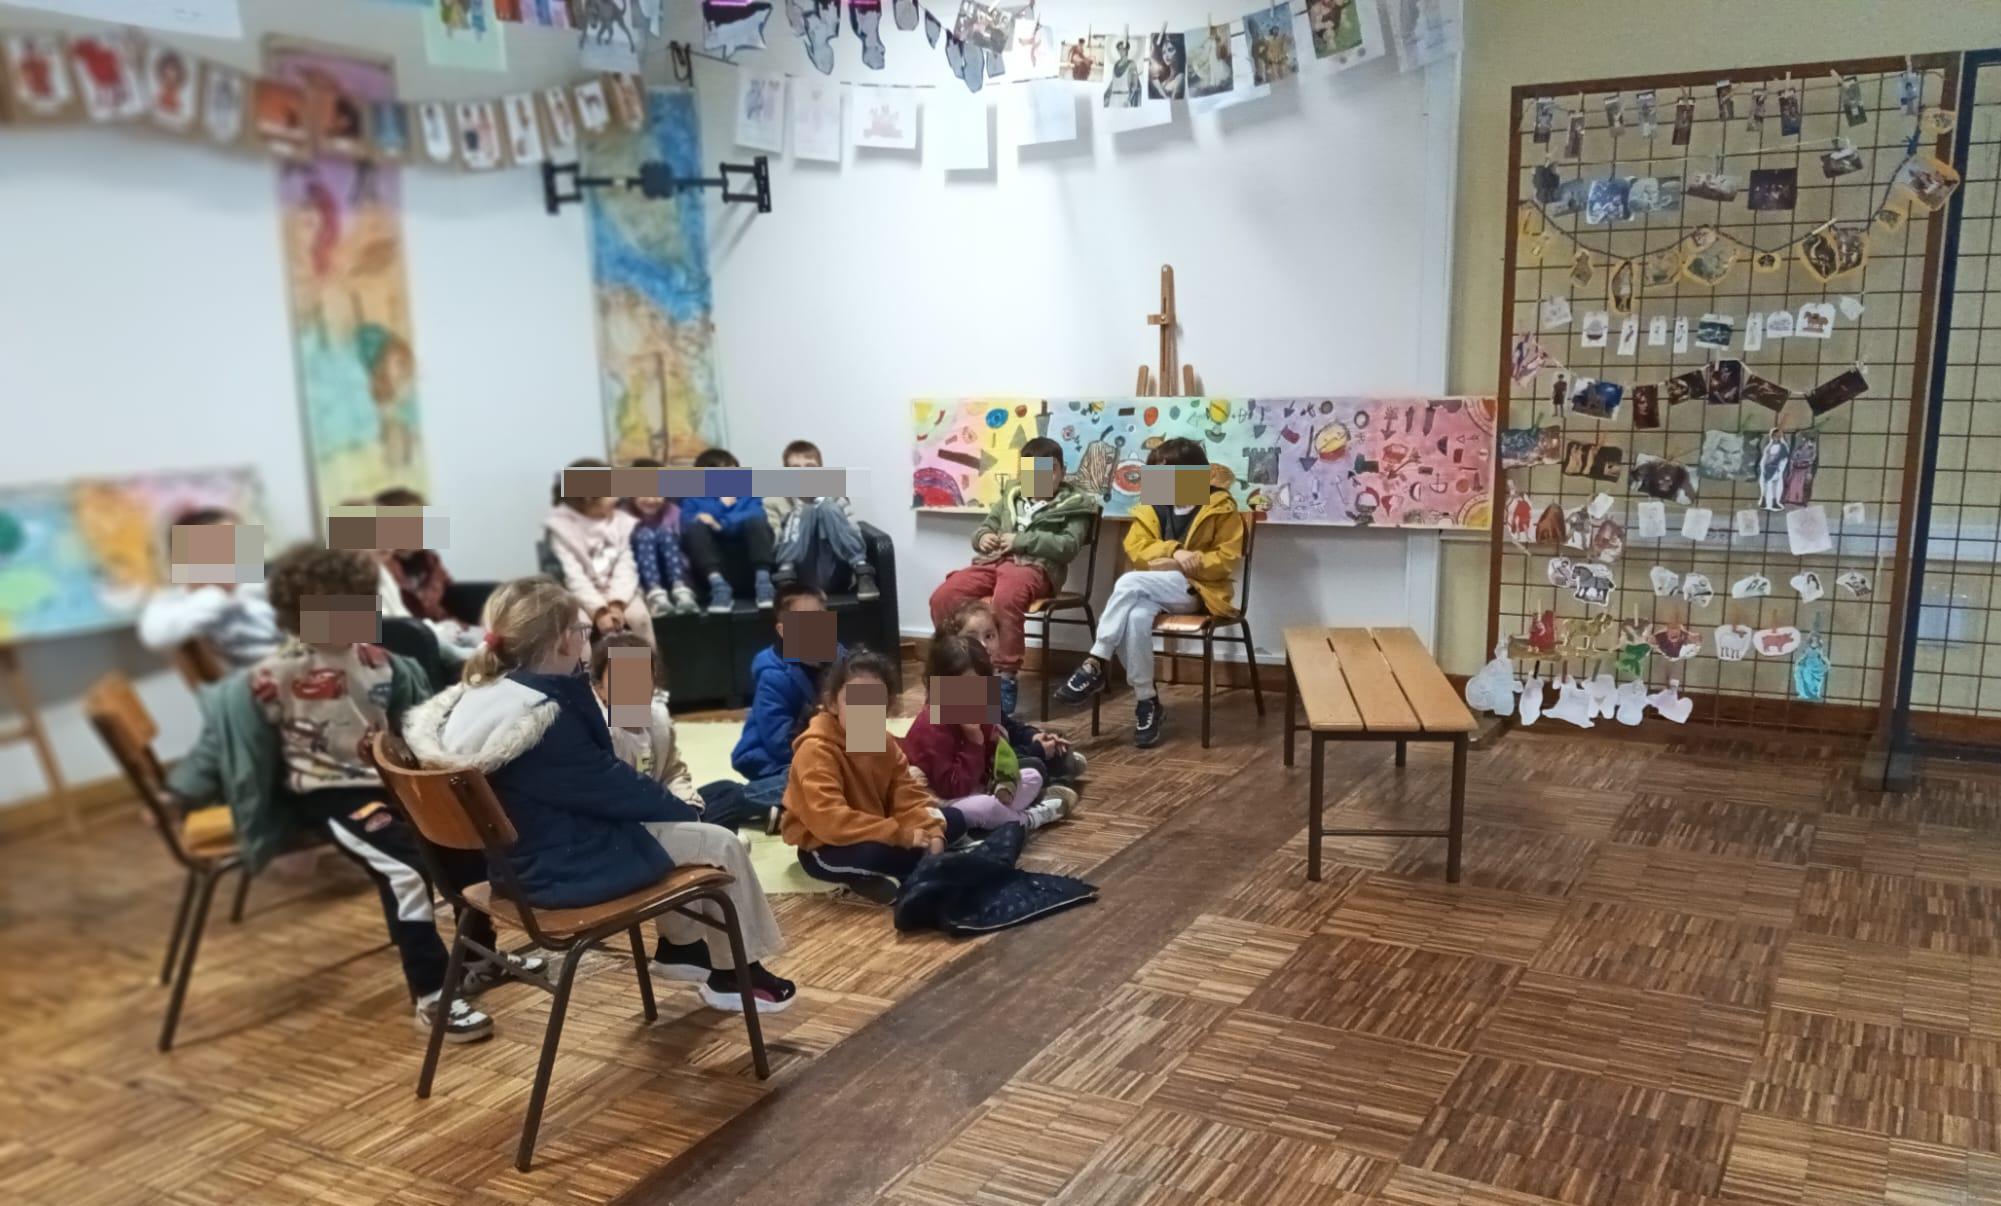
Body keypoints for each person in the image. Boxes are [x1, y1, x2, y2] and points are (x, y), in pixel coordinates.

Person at [403, 578, 796, 1012]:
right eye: (581, 631)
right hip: (561, 871)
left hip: (517, 864)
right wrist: (685, 812)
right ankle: (735, 975)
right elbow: (613, 786)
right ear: (561, 641)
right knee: (719, 844)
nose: (584, 641)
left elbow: (611, 784)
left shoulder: (483, 697)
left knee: (693, 825)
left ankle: (683, 948)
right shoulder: (544, 717)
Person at [251, 543, 518, 1042]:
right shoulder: (276, 674)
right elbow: (249, 752)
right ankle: (432, 994)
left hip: (386, 782)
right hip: (330, 794)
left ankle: (479, 959)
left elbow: (415, 724)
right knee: (405, 870)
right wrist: (272, 823)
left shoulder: (381, 662)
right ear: (299, 612)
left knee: (461, 841)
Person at [1056, 438, 1245, 749]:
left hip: (1200, 590)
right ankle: (1147, 700)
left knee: (1129, 582)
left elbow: (1226, 561)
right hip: (1156, 588)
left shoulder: (1221, 507)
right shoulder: (1153, 505)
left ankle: (1096, 659)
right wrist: (1175, 551)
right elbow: (1136, 548)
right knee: (1135, 618)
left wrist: (1181, 564)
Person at [927, 438, 1100, 718]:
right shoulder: (1011, 496)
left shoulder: (1076, 505)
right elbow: (985, 527)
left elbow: (1068, 546)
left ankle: (1004, 676)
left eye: (1049, 471)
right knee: (944, 596)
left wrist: (1021, 540)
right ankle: (956, 667)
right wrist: (983, 538)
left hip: (1036, 569)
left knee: (1007, 597)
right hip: (994, 563)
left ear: (1062, 472)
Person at [780, 648, 968, 902]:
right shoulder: (816, 749)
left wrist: (931, 830)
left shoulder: (885, 743)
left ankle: (900, 872)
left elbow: (908, 796)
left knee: (953, 819)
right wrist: (901, 835)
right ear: (833, 703)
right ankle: (909, 870)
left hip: (878, 828)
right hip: (825, 843)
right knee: (874, 854)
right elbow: (829, 821)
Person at [900, 634, 1075, 832]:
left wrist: (999, 768)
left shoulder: (981, 704)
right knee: (984, 807)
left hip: (980, 788)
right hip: (945, 799)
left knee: (1032, 775)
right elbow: (952, 789)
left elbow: (996, 758)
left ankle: (1000, 819)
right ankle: (1029, 819)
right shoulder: (931, 725)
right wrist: (974, 742)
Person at [941, 598, 1087, 784]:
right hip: (974, 768)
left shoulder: (984, 680)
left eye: (989, 636)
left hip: (996, 755)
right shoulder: (956, 688)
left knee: (1055, 749)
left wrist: (1034, 735)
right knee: (1035, 765)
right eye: (972, 638)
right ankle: (1052, 784)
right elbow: (986, 756)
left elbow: (1004, 726)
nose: (983, 645)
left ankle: (1056, 775)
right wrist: (1037, 750)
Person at [730, 583, 839, 825]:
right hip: (773, 760)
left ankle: (787, 810)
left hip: (828, 750)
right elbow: (779, 743)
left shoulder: (841, 658)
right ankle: (741, 800)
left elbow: (867, 731)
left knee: (872, 766)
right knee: (818, 778)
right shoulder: (773, 675)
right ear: (783, 630)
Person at [137, 506, 280, 670]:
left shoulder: (254, 586)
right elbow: (153, 634)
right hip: (260, 675)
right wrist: (214, 596)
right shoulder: (178, 602)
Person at [544, 457, 654, 646]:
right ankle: (589, 666)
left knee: (638, 618)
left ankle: (637, 666)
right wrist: (599, 611)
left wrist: (616, 603)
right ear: (589, 498)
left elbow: (626, 566)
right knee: (580, 627)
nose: (617, 498)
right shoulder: (561, 529)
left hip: (622, 592)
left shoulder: (620, 522)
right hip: (580, 595)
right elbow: (574, 576)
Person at [766, 439, 879, 602]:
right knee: (806, 511)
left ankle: (863, 570)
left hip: (834, 570)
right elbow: (773, 544)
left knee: (828, 507)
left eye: (810, 468)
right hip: (796, 574)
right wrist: (799, 512)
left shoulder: (835, 497)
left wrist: (822, 504)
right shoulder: (773, 501)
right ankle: (786, 578)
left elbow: (854, 534)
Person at [681, 447, 777, 613]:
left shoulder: (748, 492)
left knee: (757, 522)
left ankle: (764, 584)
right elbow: (686, 525)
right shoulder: (693, 498)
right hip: (713, 566)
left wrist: (721, 524)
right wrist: (721, 505)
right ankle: (719, 587)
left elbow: (757, 513)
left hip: (748, 562)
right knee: (695, 527)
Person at [623, 457, 700, 618]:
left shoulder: (673, 511)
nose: (652, 500)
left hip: (674, 569)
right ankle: (655, 594)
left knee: (665, 532)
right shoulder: (623, 515)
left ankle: (681, 590)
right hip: (640, 574)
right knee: (644, 534)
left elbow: (686, 544)